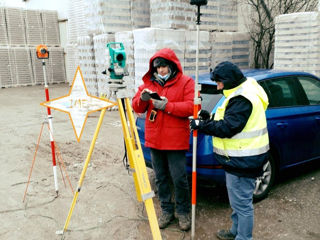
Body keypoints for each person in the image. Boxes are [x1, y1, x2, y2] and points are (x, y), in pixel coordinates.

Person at [190, 61, 269, 240]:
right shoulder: (239, 92)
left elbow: (228, 127)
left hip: (245, 159)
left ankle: (243, 237)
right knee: (236, 201)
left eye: (219, 82)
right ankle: (235, 232)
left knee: (242, 204)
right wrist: (208, 118)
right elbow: (228, 118)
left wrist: (201, 125)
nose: (218, 87)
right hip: (238, 159)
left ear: (228, 80)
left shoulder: (242, 98)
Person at [132, 48, 194, 231]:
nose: (160, 71)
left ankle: (183, 212)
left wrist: (168, 106)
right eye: (157, 68)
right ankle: (166, 211)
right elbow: (138, 108)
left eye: (164, 67)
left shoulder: (186, 82)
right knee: (160, 178)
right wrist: (142, 100)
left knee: (179, 178)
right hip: (155, 140)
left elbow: (191, 107)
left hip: (175, 140)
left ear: (172, 66)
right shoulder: (148, 84)